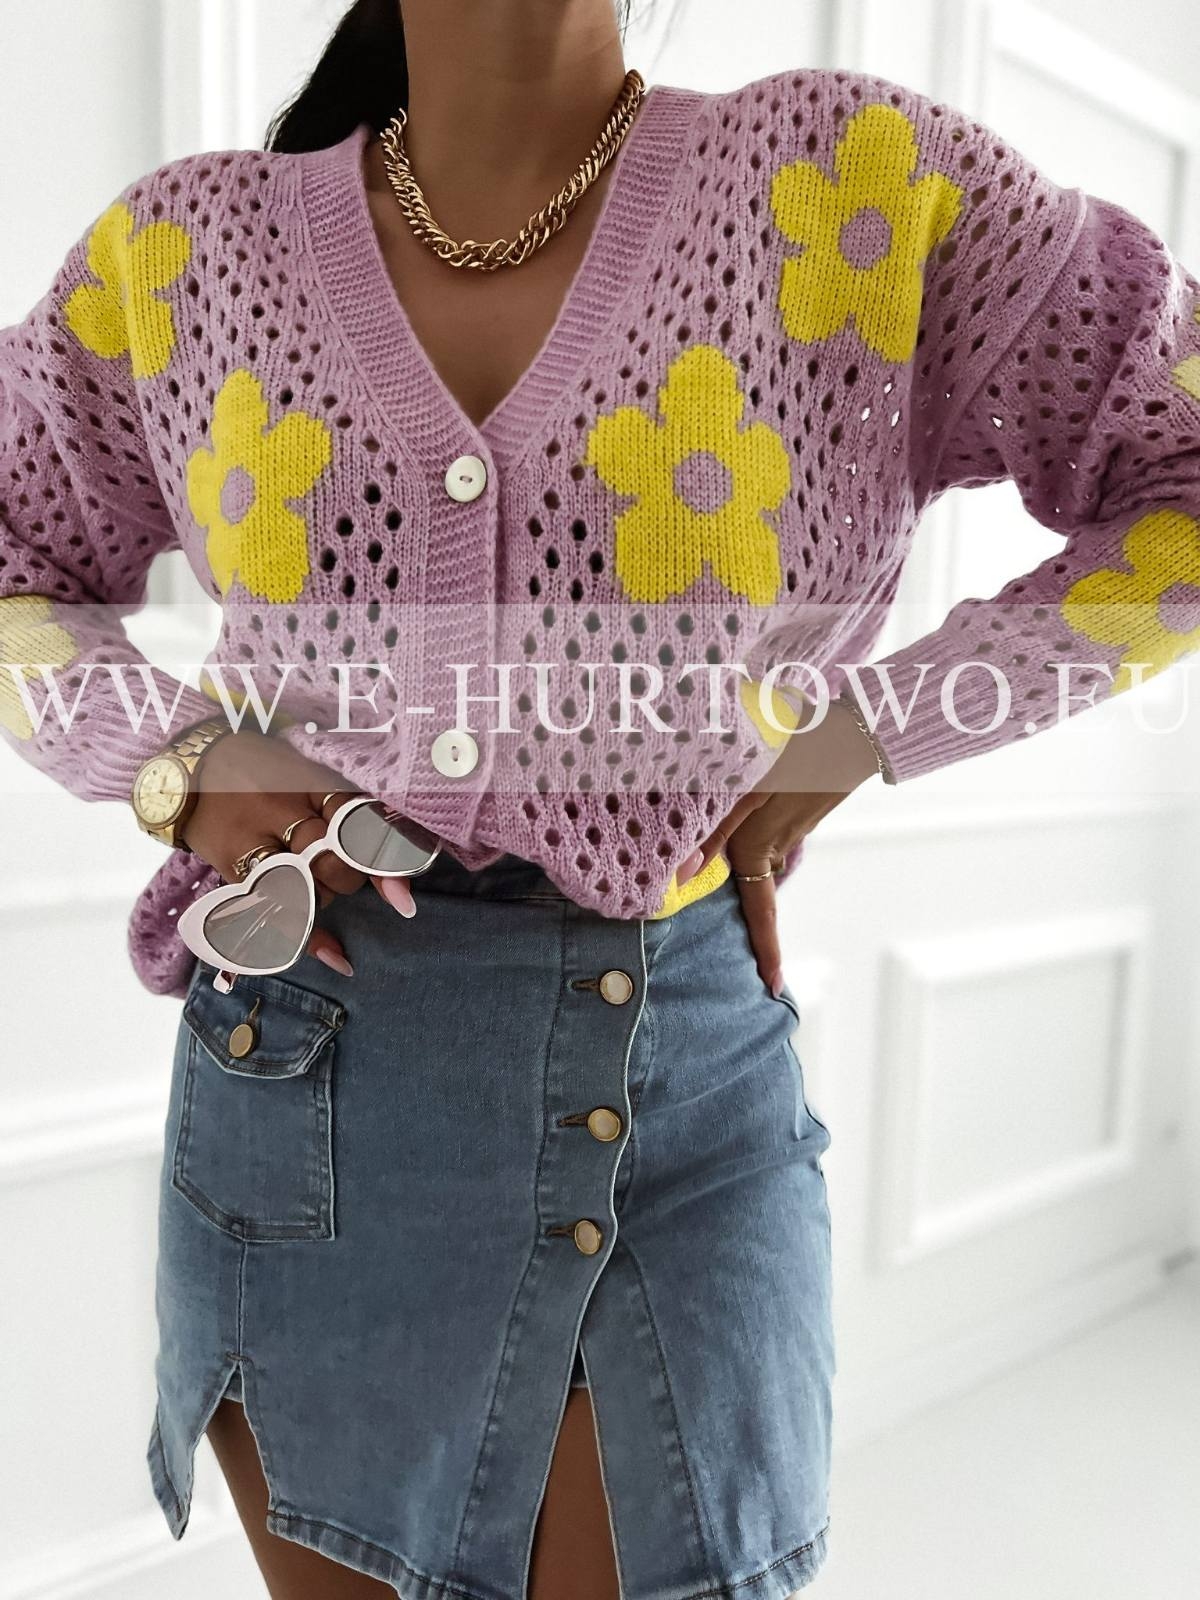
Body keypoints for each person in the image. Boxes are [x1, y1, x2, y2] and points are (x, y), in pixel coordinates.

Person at [3, 0, 1199, 1595]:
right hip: (310, 1085)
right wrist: (182, 763)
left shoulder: (855, 184)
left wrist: (866, 730)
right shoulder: (188, 254)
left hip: (680, 1083)